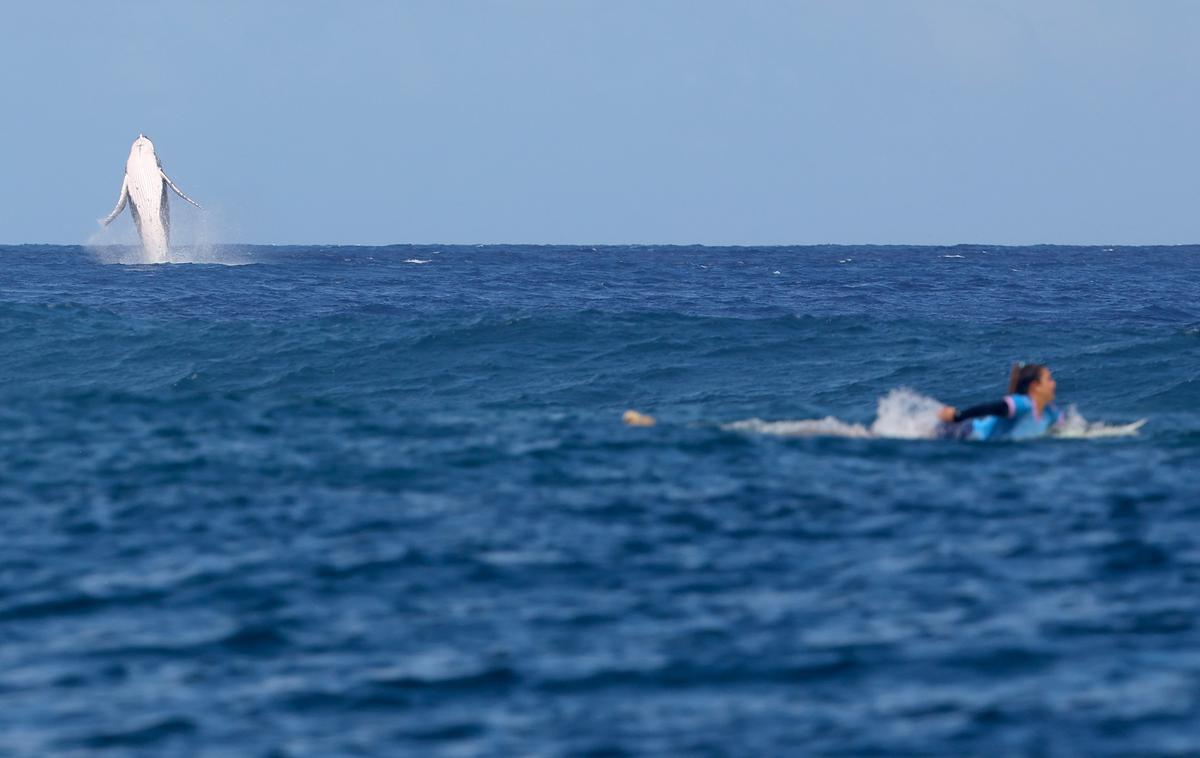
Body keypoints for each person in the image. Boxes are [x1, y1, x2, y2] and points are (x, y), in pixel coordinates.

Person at [937, 363, 1062, 440]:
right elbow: (992, 408)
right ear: (1035, 386)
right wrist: (958, 416)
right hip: (967, 431)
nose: (1054, 383)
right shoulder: (1023, 404)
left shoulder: (1051, 411)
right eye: (1049, 379)